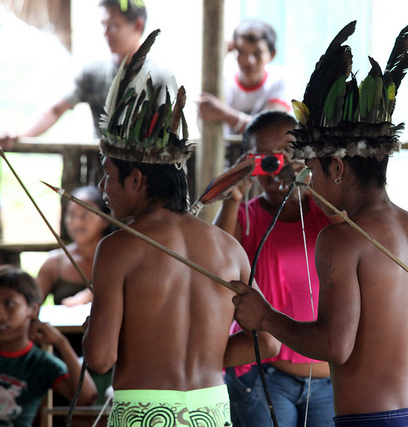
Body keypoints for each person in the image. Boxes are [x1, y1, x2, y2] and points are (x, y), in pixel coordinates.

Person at [232, 21, 408, 426]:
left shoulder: (341, 238)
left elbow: (335, 346)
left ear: (337, 167)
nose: (309, 180)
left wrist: (266, 317)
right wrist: (391, 350)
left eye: (315, 170)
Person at [82, 32, 278, 427]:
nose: (104, 190)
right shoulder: (228, 248)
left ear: (136, 179)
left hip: (143, 410)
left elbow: (101, 358)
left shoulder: (119, 248)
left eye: (108, 177)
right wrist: (200, 355)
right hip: (212, 409)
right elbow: (268, 340)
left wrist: (93, 333)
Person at [214, 110, 335, 426]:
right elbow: (212, 264)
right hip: (264, 375)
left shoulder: (329, 213)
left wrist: (309, 175)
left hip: (331, 379)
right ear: (249, 162)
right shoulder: (246, 217)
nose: (275, 168)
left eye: (285, 155)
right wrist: (232, 196)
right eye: (264, 159)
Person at [0, 0, 172, 150]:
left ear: (137, 26)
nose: (106, 33)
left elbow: (166, 130)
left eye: (113, 26)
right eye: (103, 25)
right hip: (102, 171)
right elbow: (55, 109)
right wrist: (20, 135)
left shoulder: (158, 77)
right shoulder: (92, 72)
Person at [0, 265, 97, 426]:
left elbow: (87, 397)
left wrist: (61, 343)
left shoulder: (39, 363)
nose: (0, 314)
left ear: (33, 309)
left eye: (9, 304)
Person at [197, 19, 291, 135]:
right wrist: (216, 57)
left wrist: (223, 113)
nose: (248, 61)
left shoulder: (279, 81)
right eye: (241, 52)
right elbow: (205, 121)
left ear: (272, 55)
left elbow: (270, 129)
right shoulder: (224, 81)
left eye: (257, 53)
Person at [37, 186, 114, 307]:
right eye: (72, 215)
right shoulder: (54, 263)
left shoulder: (120, 259)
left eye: (85, 214)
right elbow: (31, 307)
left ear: (106, 219)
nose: (77, 222)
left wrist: (90, 295)